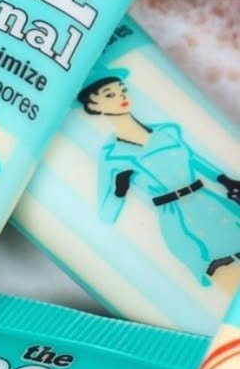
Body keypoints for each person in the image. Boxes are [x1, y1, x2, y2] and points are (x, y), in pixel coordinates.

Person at [81, 63, 240, 294]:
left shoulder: (167, 130)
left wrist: (225, 180)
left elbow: (194, 159)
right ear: (93, 105)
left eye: (122, 90)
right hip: (177, 218)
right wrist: (119, 190)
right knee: (223, 274)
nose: (122, 97)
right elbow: (106, 214)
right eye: (109, 95)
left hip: (210, 201)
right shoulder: (112, 155)